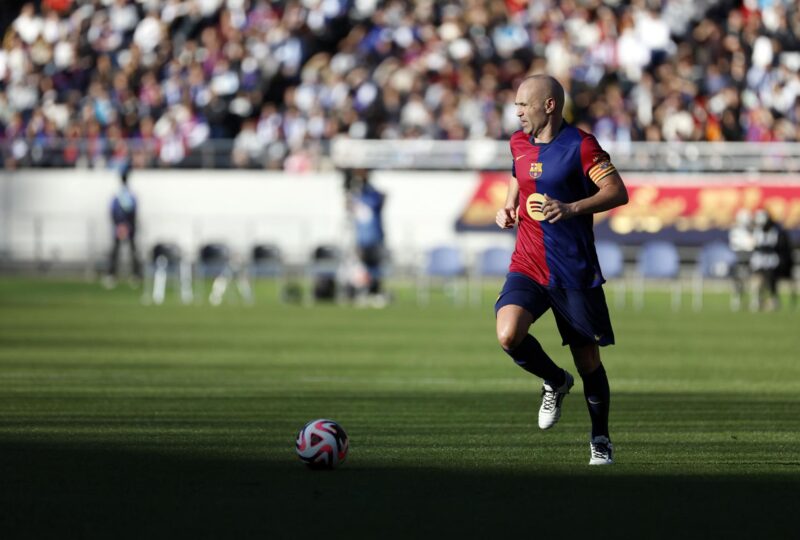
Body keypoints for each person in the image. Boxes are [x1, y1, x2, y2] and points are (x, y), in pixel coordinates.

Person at [494, 75, 628, 466]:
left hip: (573, 270)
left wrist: (570, 208)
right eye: (516, 104)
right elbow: (517, 176)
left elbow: (617, 191)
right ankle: (554, 380)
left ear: (548, 105)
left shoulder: (581, 146)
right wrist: (508, 207)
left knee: (589, 363)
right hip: (529, 263)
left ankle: (600, 438)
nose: (517, 111)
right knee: (508, 334)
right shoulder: (518, 143)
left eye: (524, 104)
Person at [344, 168, 388, 306]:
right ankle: (363, 292)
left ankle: (375, 292)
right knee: (362, 267)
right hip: (362, 238)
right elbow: (349, 206)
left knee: (374, 267)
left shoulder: (371, 196)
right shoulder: (357, 196)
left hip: (374, 237)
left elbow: (381, 198)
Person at [749, 209, 793, 311]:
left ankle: (773, 299)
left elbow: (778, 247)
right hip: (759, 261)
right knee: (757, 280)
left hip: (771, 261)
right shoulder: (756, 232)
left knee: (771, 280)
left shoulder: (775, 232)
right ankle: (757, 300)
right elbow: (754, 245)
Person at [105, 166, 142, 287]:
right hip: (124, 226)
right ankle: (114, 274)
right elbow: (131, 212)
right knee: (118, 252)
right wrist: (122, 226)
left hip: (125, 227)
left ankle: (132, 275)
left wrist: (123, 226)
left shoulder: (121, 195)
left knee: (130, 251)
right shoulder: (126, 195)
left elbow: (115, 212)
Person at [728, 209, 755, 311]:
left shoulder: (752, 231)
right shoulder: (735, 231)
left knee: (754, 280)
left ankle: (755, 299)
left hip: (750, 260)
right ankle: (737, 298)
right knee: (738, 281)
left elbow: (752, 245)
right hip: (739, 260)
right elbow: (736, 245)